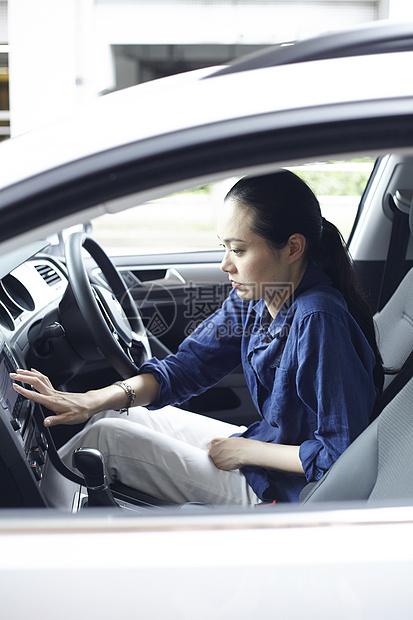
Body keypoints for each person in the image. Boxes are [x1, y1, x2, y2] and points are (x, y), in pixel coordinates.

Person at [11, 170, 383, 506]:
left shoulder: (319, 320)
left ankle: (32, 523)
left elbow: (341, 455)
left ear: (292, 248)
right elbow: (187, 368)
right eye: (224, 247)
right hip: (265, 449)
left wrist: (246, 452)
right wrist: (92, 399)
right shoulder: (260, 296)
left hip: (288, 491)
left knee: (107, 438)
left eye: (238, 250)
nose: (226, 264)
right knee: (111, 410)